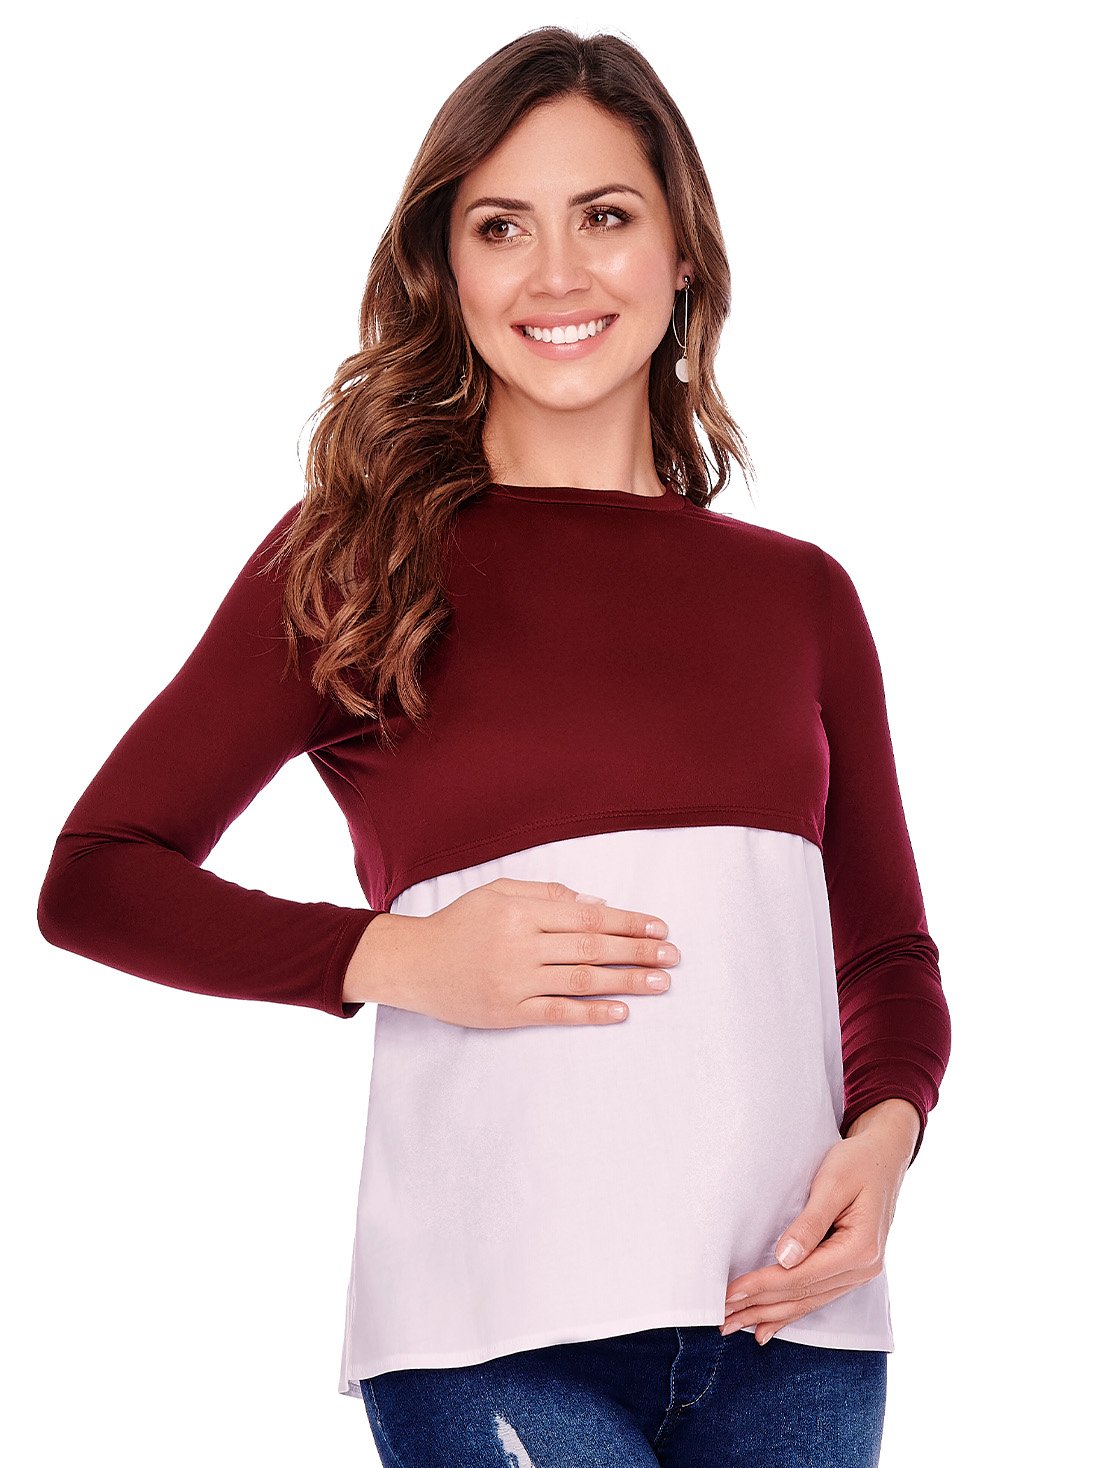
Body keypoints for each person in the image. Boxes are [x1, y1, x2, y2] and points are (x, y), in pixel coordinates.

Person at [37, 25, 952, 1468]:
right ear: (446, 272)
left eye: (606, 216)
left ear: (683, 252)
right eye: (501, 227)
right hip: (490, 1327)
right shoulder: (353, 564)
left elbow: (887, 951)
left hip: (795, 1332)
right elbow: (97, 874)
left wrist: (887, 1141)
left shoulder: (802, 596)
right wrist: (396, 956)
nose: (557, 273)